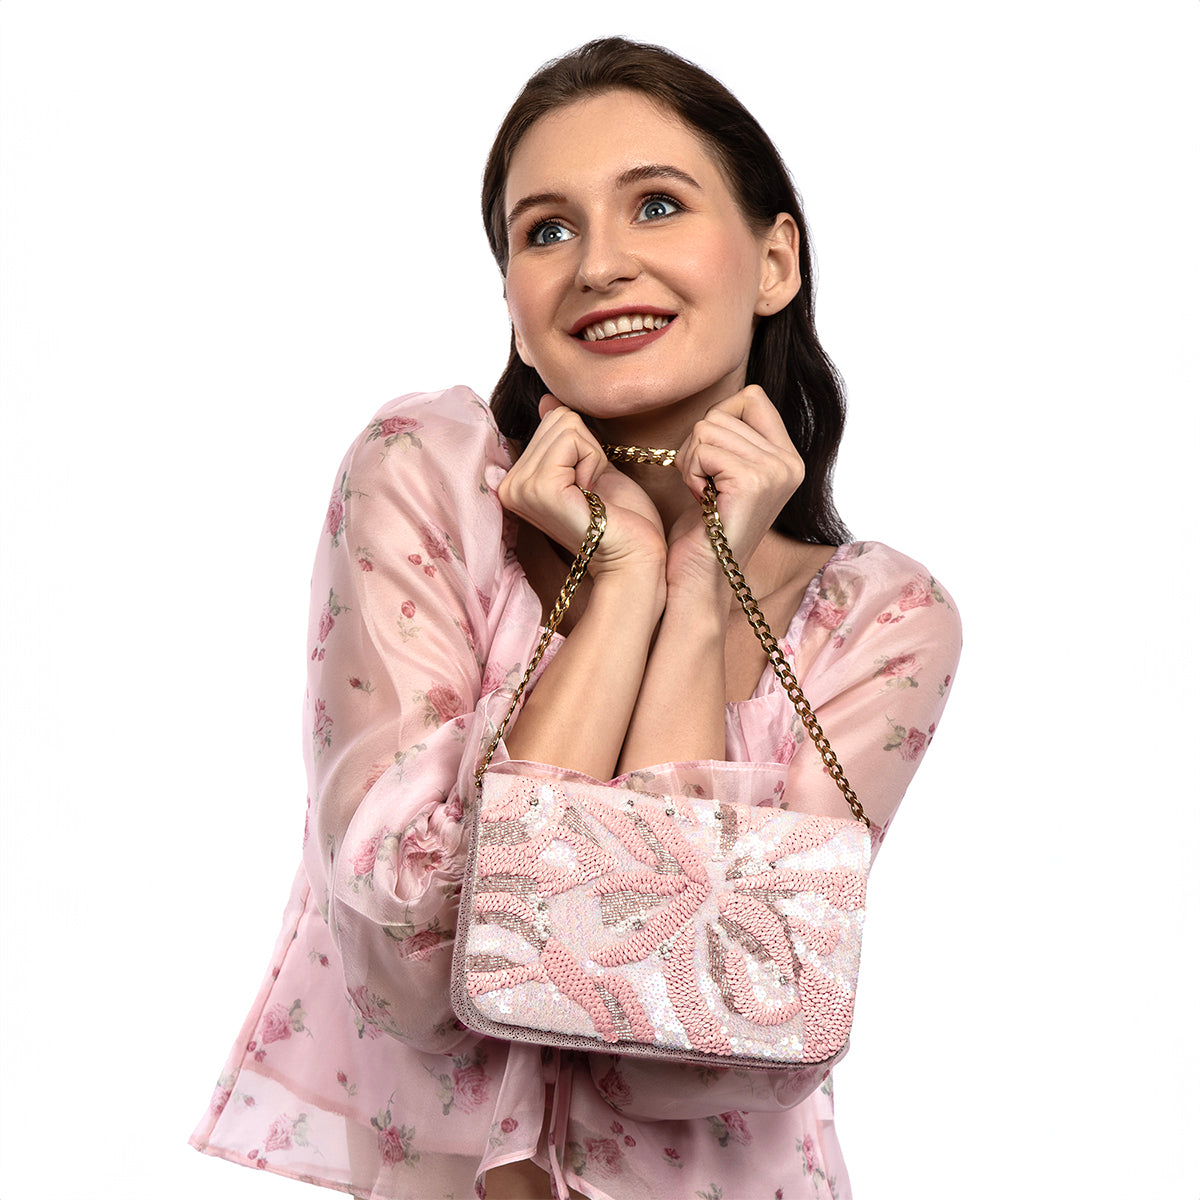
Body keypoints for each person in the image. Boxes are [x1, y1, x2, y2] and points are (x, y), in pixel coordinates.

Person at [191, 36, 961, 1200]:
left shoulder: (881, 623)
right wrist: (621, 588)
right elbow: (412, 972)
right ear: (513, 302)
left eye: (656, 205)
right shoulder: (428, 483)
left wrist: (696, 595)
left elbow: (683, 1044)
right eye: (546, 230)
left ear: (773, 261)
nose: (599, 264)